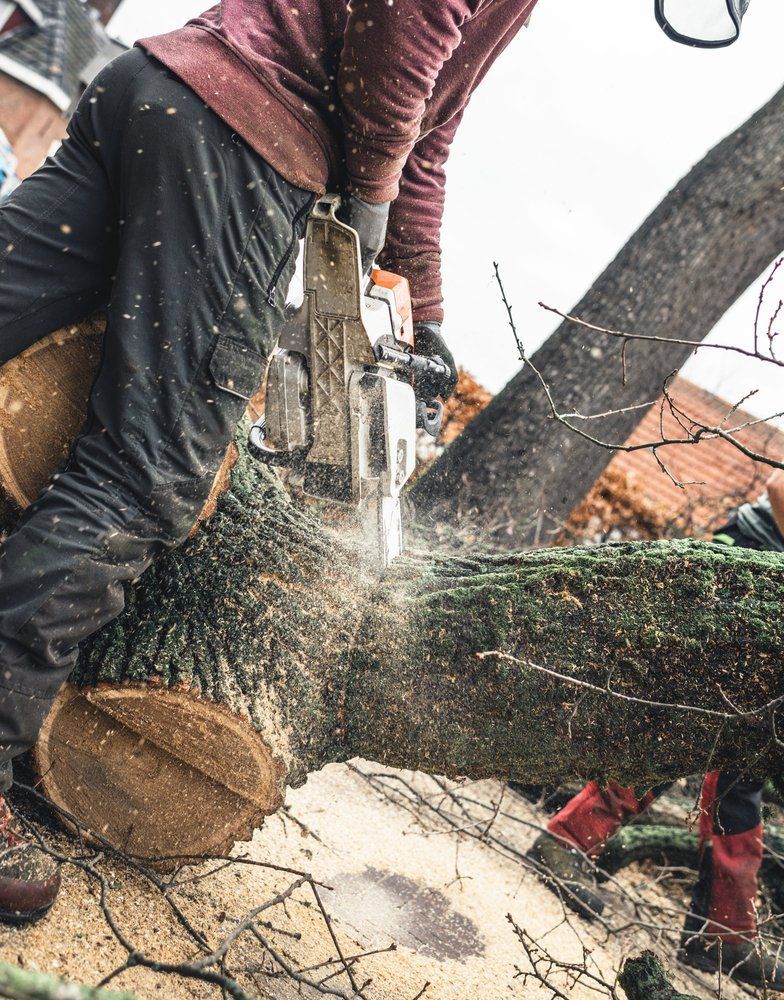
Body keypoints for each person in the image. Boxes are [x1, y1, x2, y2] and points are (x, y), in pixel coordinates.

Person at [0, 0, 756, 923]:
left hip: (163, 87)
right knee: (149, 475)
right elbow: (404, 38)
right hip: (244, 140)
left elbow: (428, 126)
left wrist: (423, 309)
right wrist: (364, 197)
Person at [527, 469, 784, 992]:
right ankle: (567, 843)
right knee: (689, 729)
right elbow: (781, 487)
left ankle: (725, 933)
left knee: (747, 760)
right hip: (750, 571)